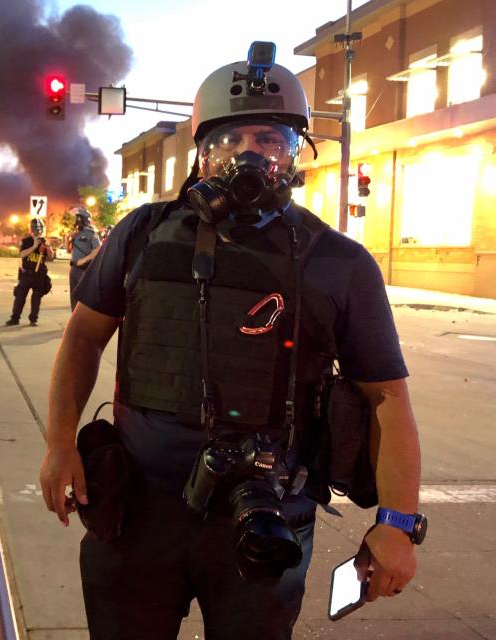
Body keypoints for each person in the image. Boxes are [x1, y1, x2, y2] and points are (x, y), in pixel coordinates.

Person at [38, 43, 423, 639]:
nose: (250, 154)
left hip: (264, 516)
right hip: (137, 512)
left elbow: (388, 400)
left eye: (271, 140)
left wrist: (397, 523)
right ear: (201, 153)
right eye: (230, 140)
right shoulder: (142, 233)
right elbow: (84, 337)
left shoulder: (339, 262)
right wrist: (61, 444)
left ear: (296, 154)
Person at [6, 217, 53, 327]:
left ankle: (33, 319)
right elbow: (22, 254)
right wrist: (34, 246)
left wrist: (48, 247)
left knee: (36, 300)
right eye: (36, 229)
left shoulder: (44, 241)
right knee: (20, 297)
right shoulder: (26, 241)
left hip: (39, 275)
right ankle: (15, 318)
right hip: (26, 274)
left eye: (40, 229)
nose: (38, 232)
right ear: (31, 230)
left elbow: (50, 257)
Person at [67, 207, 101, 311]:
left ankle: (82, 319)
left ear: (83, 219)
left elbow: (98, 250)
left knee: (83, 296)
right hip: (73, 269)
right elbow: (68, 250)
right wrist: (69, 238)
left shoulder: (91, 234)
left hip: (84, 270)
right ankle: (74, 318)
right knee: (73, 296)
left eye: (78, 218)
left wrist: (84, 260)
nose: (76, 221)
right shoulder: (76, 234)